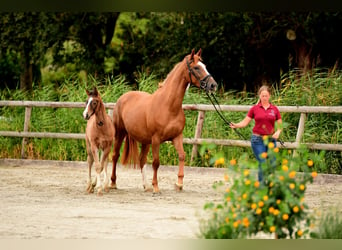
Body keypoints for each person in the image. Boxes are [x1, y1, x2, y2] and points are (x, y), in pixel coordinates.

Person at [230, 85, 282, 182]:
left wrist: (278, 131)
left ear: (269, 96)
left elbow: (280, 124)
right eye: (263, 96)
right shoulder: (254, 109)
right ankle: (262, 186)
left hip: (271, 140)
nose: (264, 98)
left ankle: (269, 182)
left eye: (266, 96)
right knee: (262, 162)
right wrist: (236, 125)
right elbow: (245, 122)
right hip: (257, 140)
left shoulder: (274, 109)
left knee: (272, 163)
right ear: (259, 96)